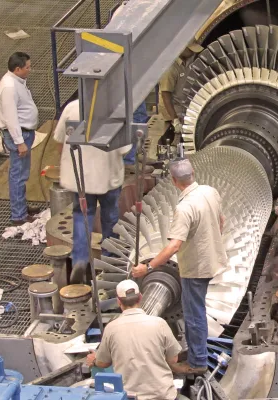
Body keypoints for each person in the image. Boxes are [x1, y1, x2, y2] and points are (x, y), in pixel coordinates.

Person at [132, 159, 227, 375]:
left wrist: (148, 268)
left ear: (174, 181)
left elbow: (175, 244)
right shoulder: (209, 191)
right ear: (193, 173)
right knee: (197, 311)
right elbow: (221, 221)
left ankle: (197, 362)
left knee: (194, 316)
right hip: (212, 261)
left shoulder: (185, 208)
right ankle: (196, 354)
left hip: (195, 269)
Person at [53, 99, 131, 283]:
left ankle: (80, 259)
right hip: (107, 177)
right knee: (110, 217)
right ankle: (110, 261)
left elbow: (59, 140)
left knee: (82, 215)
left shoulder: (72, 108)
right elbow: (125, 150)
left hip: (81, 178)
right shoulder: (116, 112)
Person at [86, 280, 183, 400]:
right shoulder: (160, 324)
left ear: (118, 301)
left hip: (131, 397)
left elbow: (103, 363)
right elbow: (174, 359)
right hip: (163, 395)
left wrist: (94, 360)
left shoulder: (111, 328)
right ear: (141, 297)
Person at [0, 52, 39, 225]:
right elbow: (11, 117)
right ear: (17, 69)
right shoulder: (9, 87)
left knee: (22, 173)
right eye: (27, 67)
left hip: (24, 132)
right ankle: (18, 216)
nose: (30, 69)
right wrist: (19, 142)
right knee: (18, 175)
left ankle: (21, 207)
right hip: (19, 135)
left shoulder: (17, 81)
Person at [158, 42, 203, 145]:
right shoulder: (170, 69)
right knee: (172, 136)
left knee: (183, 137)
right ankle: (165, 151)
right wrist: (174, 119)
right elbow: (166, 96)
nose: (193, 53)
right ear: (181, 48)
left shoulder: (188, 59)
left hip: (182, 104)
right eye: (191, 50)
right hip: (170, 106)